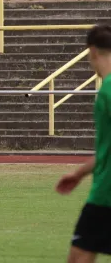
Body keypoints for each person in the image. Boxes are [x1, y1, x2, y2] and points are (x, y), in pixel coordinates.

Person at [56, 24, 111, 262]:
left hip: (106, 195)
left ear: (92, 52)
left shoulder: (108, 90)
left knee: (78, 258)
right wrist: (79, 173)